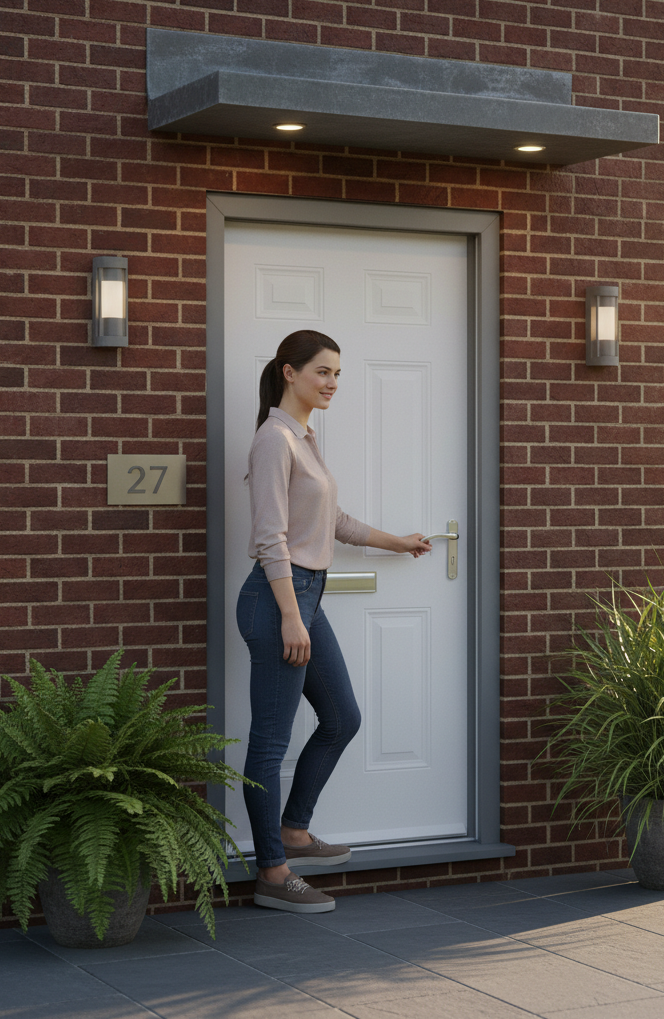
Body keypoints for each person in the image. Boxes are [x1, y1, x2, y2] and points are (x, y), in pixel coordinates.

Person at [237, 329, 432, 914]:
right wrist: (292, 618)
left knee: (342, 717)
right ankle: (273, 871)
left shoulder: (304, 437)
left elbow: (333, 519)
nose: (332, 383)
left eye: (338, 374)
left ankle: (294, 830)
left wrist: (396, 542)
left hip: (303, 596)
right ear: (288, 372)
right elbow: (270, 538)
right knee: (270, 742)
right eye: (323, 372)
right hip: (280, 599)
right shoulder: (274, 439)